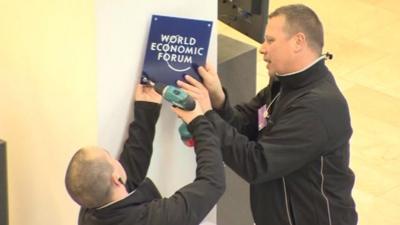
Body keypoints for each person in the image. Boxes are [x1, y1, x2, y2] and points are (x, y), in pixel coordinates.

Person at [176, 4, 357, 225]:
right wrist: (217, 99)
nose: (262, 48)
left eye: (270, 40)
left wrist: (203, 115)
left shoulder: (317, 107)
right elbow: (244, 126)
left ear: (298, 42)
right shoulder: (284, 84)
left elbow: (257, 164)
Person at [65, 84, 225, 225]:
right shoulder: (152, 220)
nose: (117, 160)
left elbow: (130, 173)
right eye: (110, 158)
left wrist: (146, 109)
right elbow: (212, 183)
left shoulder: (93, 209)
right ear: (115, 179)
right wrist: (198, 121)